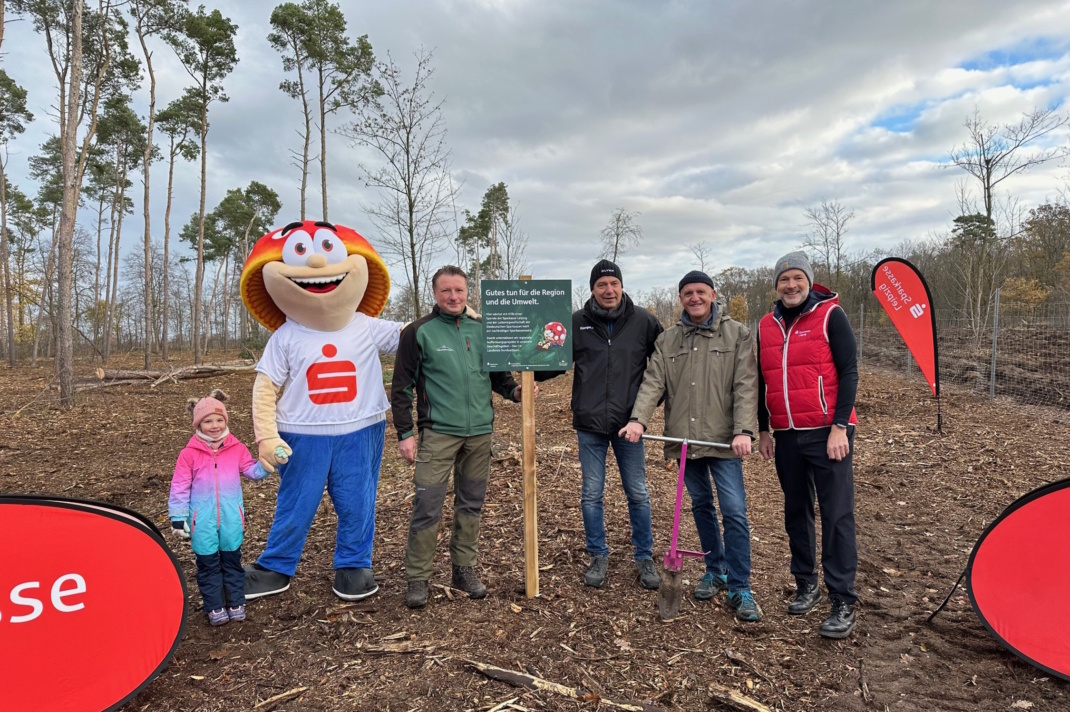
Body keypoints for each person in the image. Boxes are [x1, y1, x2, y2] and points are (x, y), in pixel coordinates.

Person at [621, 270, 763, 622]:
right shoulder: (669, 340)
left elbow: (746, 385)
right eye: (688, 293)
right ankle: (715, 570)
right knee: (701, 505)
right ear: (681, 298)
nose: (694, 298)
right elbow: (653, 381)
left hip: (723, 440)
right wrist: (639, 420)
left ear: (713, 294)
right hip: (685, 438)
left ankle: (741, 586)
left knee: (734, 511)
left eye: (701, 291)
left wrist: (744, 430)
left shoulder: (737, 334)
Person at [390, 265, 529, 609]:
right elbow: (401, 387)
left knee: (470, 504)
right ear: (434, 293)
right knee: (427, 505)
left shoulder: (482, 330)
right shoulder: (418, 332)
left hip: (479, 434)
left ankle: (463, 570)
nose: (453, 297)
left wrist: (515, 392)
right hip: (438, 433)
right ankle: (418, 577)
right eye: (446, 291)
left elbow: (499, 378)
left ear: (468, 293)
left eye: (459, 290)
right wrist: (405, 433)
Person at [537, 259, 663, 590]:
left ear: (622, 285)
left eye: (614, 284)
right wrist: (529, 371)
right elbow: (555, 361)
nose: (609, 290)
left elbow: (663, 367)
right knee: (591, 493)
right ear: (592, 289)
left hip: (629, 425)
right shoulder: (577, 322)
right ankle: (598, 554)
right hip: (590, 423)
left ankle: (644, 556)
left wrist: (646, 410)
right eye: (601, 285)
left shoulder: (644, 321)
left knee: (637, 492)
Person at [756, 251, 860, 639]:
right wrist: (763, 429)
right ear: (776, 286)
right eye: (784, 279)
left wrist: (839, 427)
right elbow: (762, 379)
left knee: (836, 515)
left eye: (797, 278)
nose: (791, 285)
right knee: (796, 512)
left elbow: (849, 371)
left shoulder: (831, 315)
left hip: (827, 432)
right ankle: (806, 584)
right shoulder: (766, 325)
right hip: (786, 434)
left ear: (809, 281)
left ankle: (842, 599)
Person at [169, 390, 268, 626]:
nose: (214, 426)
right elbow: (180, 486)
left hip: (231, 519)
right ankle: (214, 606)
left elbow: (251, 471)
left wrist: (268, 463)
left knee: (232, 561)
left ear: (225, 420)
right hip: (202, 521)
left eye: (219, 420)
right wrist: (178, 516)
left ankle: (236, 602)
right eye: (208, 421)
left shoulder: (237, 448)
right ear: (198, 424)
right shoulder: (189, 454)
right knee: (208, 564)